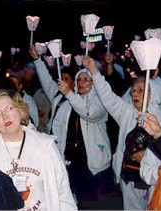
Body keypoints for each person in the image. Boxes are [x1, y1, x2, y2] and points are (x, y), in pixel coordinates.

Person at [30, 45, 112, 209]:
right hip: (71, 162)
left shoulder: (100, 101)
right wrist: (37, 60)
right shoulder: (66, 101)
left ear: (94, 83)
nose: (81, 83)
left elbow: (87, 112)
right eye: (79, 79)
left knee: (92, 204)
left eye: (86, 80)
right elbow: (47, 81)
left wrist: (69, 93)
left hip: (93, 165)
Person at [0, 89, 77, 210]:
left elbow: (63, 193)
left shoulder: (45, 146)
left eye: (9, 108)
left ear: (20, 110)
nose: (5, 116)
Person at [85, 55, 154, 210]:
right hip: (129, 179)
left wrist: (148, 155)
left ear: (152, 94)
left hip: (152, 182)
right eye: (133, 90)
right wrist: (94, 70)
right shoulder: (127, 113)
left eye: (141, 90)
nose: (135, 94)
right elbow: (108, 97)